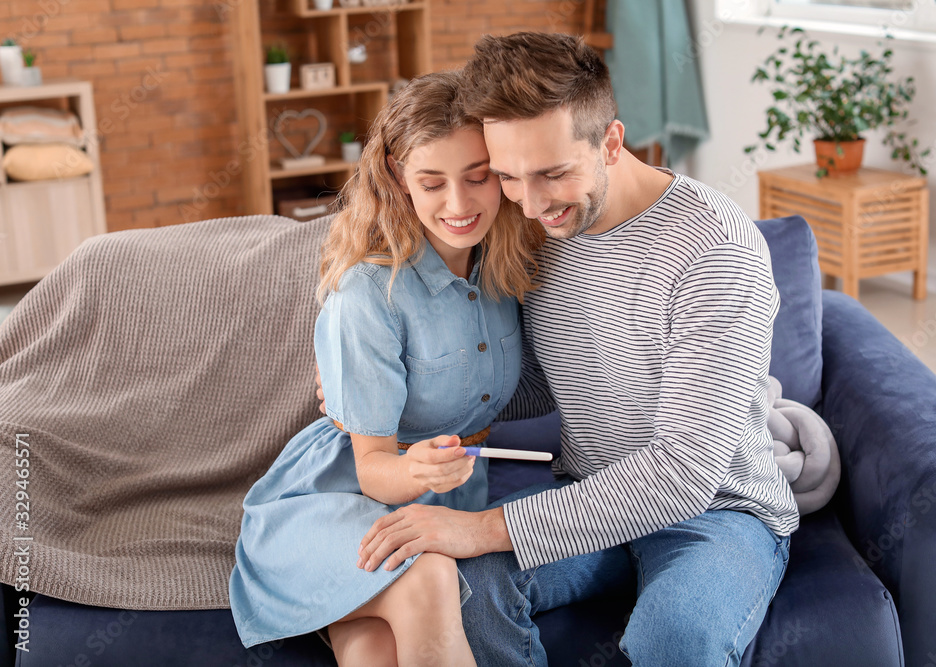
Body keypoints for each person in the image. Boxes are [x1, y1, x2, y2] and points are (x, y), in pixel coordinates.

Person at [352, 33, 801, 666]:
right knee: (460, 586)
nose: (531, 204)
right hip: (586, 494)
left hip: (714, 509)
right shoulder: (540, 231)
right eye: (507, 176)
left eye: (552, 174)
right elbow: (532, 382)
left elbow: (685, 470)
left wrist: (483, 528)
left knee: (671, 638)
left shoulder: (715, 251)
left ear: (611, 142)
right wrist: (393, 394)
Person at [228, 70, 544, 667]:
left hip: (438, 498)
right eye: (433, 182)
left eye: (479, 177)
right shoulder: (369, 293)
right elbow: (374, 469)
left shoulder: (510, 269)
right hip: (335, 497)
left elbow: (530, 387)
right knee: (427, 575)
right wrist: (413, 465)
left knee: (375, 646)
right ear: (400, 180)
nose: (459, 204)